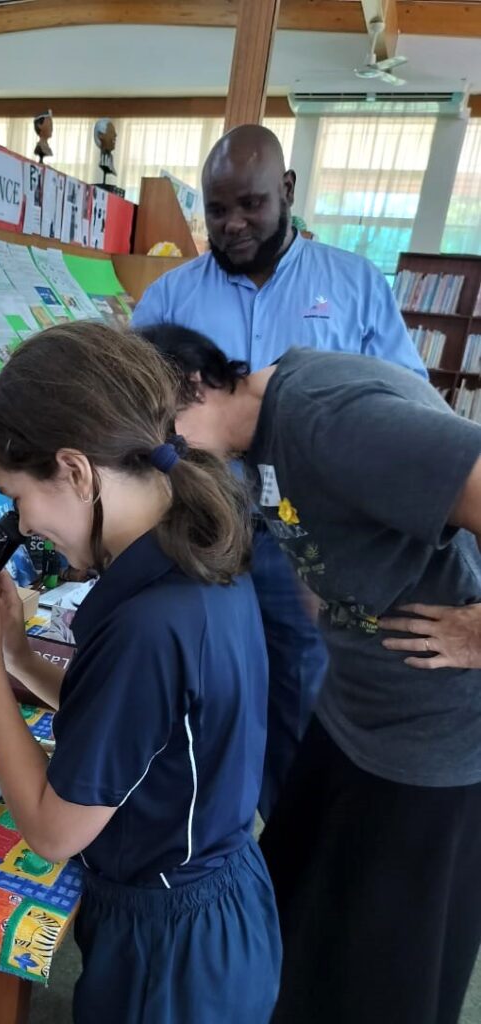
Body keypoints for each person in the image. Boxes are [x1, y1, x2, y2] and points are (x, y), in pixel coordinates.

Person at [0, 322, 281, 1024]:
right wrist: (16, 656)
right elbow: (140, 729)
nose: (23, 525)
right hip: (215, 903)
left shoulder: (150, 623)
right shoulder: (192, 547)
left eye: (16, 496)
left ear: (77, 470)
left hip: (174, 950)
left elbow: (55, 832)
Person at [146, 328, 481, 1024]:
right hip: (355, 708)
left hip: (430, 734)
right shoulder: (265, 421)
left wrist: (478, 631)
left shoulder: (328, 417)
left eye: (156, 436)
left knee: (381, 966)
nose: (159, 461)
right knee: (300, 912)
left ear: (195, 385)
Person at [133, 124, 428, 820]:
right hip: (199, 533)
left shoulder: (352, 283)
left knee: (299, 691)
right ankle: (216, 827)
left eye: (251, 205)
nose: (232, 225)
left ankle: (288, 836)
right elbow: (132, 411)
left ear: (287, 190)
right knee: (206, 688)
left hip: (304, 544)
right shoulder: (170, 298)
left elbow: (406, 405)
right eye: (216, 210)